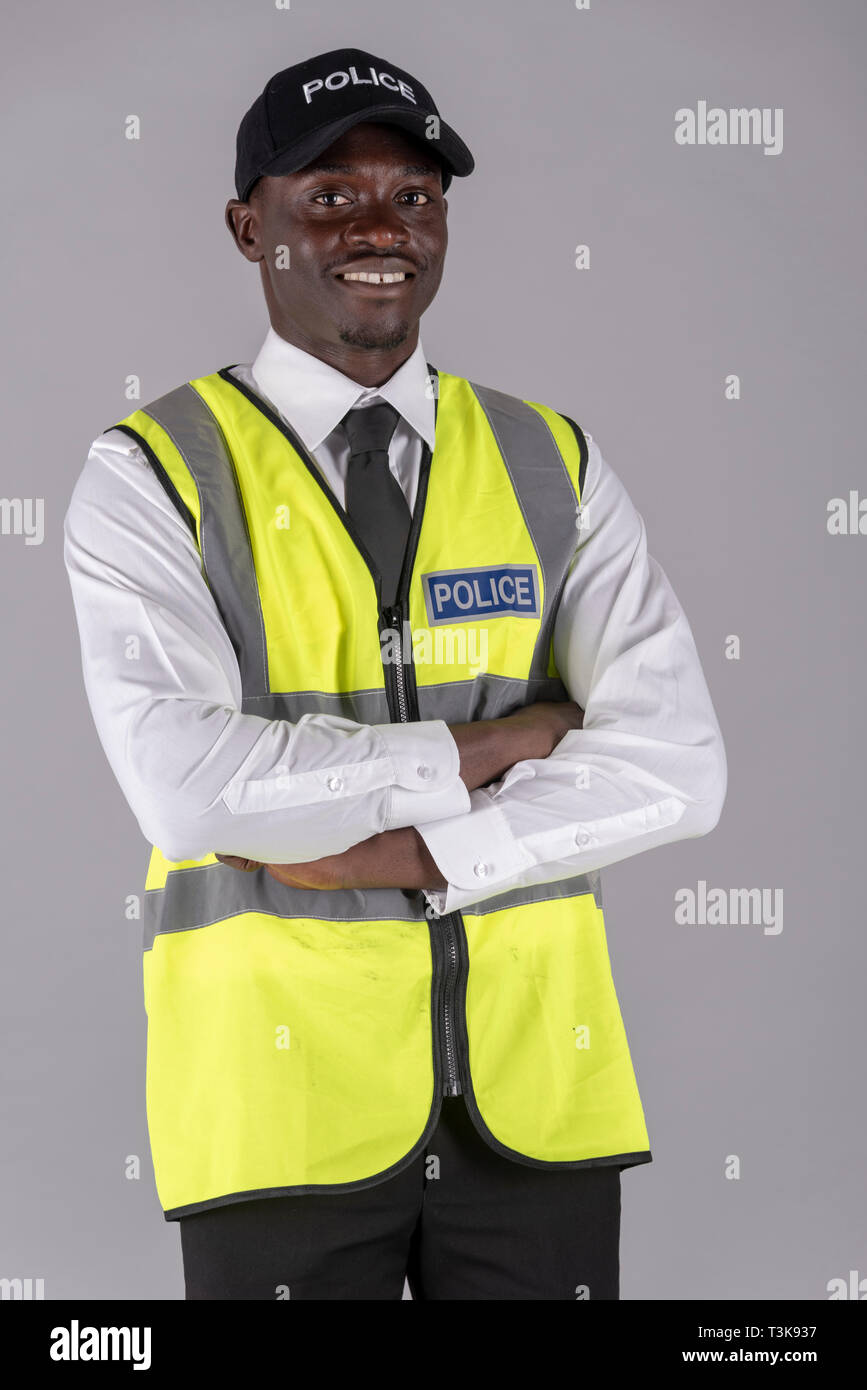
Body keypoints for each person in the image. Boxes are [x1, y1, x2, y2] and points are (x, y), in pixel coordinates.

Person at [63, 46, 727, 1300]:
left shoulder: (550, 457)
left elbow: (681, 768)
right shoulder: (150, 473)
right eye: (331, 197)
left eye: (414, 197)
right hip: (280, 1104)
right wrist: (489, 745)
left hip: (540, 1103)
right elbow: (188, 791)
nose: (381, 230)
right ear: (246, 224)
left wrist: (417, 854)